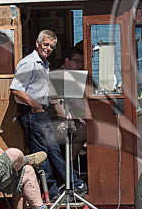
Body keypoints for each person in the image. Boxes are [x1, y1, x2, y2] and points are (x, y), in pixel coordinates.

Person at [10, 30, 86, 199]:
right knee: (43, 154)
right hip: (31, 113)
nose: (48, 48)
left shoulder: (44, 64)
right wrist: (35, 105)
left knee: (52, 151)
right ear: (37, 43)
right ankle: (52, 191)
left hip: (41, 113)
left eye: (51, 46)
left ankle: (72, 184)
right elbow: (16, 89)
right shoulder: (29, 63)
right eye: (45, 44)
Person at [51, 45, 88, 166]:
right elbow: (59, 110)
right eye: (77, 61)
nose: (80, 65)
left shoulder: (74, 77)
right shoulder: (57, 77)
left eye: (82, 62)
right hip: (55, 121)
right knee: (83, 130)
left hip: (72, 118)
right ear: (67, 61)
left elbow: (79, 105)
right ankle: (69, 164)